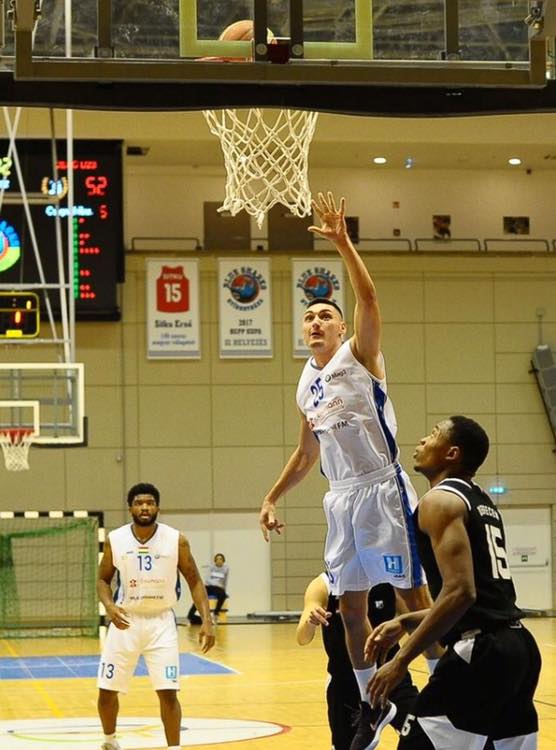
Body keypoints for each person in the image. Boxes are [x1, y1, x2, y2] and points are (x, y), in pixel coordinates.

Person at [259, 191, 441, 750]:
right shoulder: (304, 384)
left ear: (342, 329)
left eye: (325, 316)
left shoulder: (360, 355)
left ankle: (447, 686)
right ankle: (373, 705)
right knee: (349, 607)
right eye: (309, 317)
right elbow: (306, 453)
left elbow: (368, 295)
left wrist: (342, 241)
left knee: (413, 596)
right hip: (339, 497)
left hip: (382, 488)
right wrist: (271, 497)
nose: (316, 321)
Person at [367, 416, 542, 749]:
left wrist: (400, 660)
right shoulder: (482, 501)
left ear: (452, 453)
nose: (422, 440)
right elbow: (482, 600)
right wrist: (406, 620)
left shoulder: (439, 501)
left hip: (482, 652)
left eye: (434, 434)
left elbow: (461, 593)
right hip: (518, 647)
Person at [96, 483, 215, 750]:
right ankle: (109, 741)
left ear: (158, 507)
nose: (145, 507)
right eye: (139, 503)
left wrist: (207, 621)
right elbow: (103, 580)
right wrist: (109, 606)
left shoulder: (176, 540)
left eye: (150, 503)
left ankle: (174, 748)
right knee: (107, 689)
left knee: (168, 692)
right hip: (125, 621)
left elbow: (195, 580)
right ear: (130, 508)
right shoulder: (115, 539)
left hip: (161, 622)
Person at [297, 575, 419, 750]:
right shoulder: (323, 584)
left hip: (389, 677)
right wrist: (311, 621)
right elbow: (302, 638)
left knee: (420, 734)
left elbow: (415, 621)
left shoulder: (390, 579)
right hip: (345, 684)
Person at [187, 552, 229, 624]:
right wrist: (216, 583)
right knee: (199, 595)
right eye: (217, 559)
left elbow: (225, 580)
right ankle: (190, 615)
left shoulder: (226, 569)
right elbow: (207, 579)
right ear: (215, 561)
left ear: (223, 561)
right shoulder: (211, 567)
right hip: (208, 586)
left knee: (223, 595)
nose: (219, 561)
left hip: (218, 588)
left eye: (221, 559)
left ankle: (215, 614)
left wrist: (224, 589)